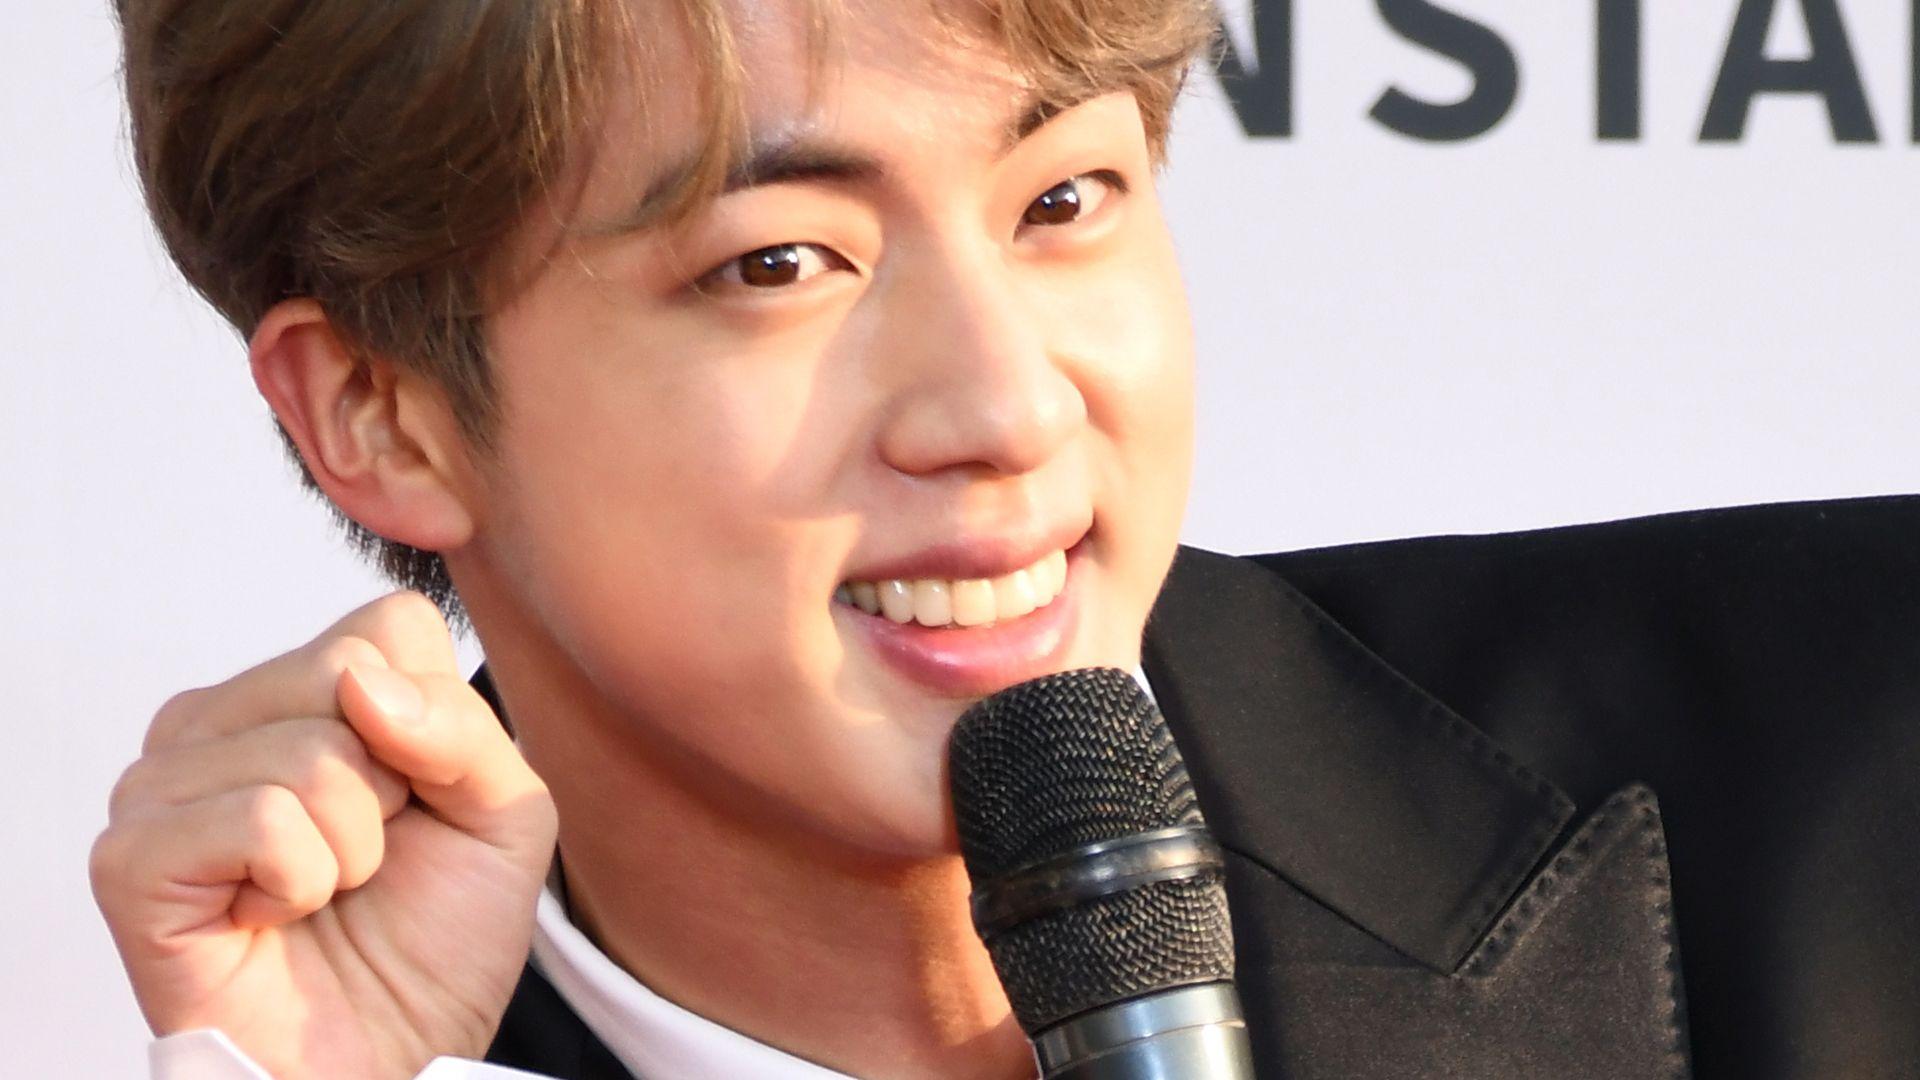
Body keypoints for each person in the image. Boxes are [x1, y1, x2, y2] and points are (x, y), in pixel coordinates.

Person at [90, 1, 1919, 1078]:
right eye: (779, 263)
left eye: (1064, 199)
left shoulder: (1864, 759)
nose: (1008, 405)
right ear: (381, 413)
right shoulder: (364, 1056)